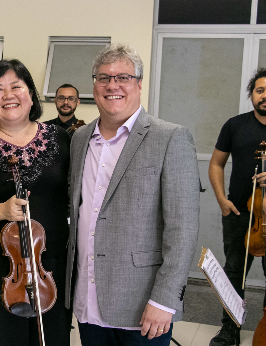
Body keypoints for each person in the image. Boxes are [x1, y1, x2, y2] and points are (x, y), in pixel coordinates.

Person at [65, 44, 200, 346]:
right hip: (88, 298)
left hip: (143, 307)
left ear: (139, 84)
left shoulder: (170, 138)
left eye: (123, 77)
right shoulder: (80, 139)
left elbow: (183, 230)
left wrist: (165, 300)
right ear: (94, 85)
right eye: (103, 78)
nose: (112, 85)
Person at [0, 59, 72, 346]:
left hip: (52, 265)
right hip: (0, 269)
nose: (8, 95)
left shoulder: (61, 139)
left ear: (30, 95)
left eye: (16, 86)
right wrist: (2, 210)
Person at [208, 68, 266, 346]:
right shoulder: (235, 125)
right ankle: (230, 329)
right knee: (234, 272)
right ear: (252, 95)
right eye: (260, 90)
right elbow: (216, 163)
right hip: (239, 214)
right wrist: (222, 199)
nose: (265, 96)